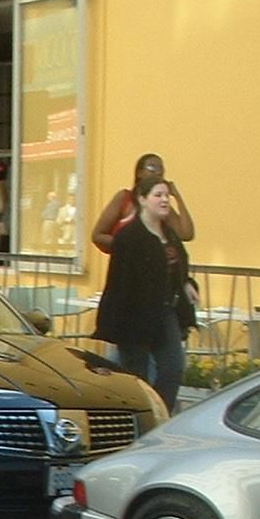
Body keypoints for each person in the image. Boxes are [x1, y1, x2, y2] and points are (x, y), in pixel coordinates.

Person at [92, 175, 197, 412]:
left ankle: (160, 415)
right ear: (143, 199)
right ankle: (139, 420)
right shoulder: (129, 237)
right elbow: (119, 282)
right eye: (158, 195)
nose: (164, 200)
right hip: (135, 316)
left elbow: (178, 267)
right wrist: (115, 324)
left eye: (166, 196)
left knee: (173, 368)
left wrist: (187, 284)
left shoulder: (169, 235)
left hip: (166, 312)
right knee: (137, 376)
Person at [91, 152, 195, 255]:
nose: (158, 173)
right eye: (152, 168)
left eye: (161, 170)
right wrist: (131, 245)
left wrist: (177, 197)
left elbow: (186, 234)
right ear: (139, 173)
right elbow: (97, 235)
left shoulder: (160, 206)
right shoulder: (124, 198)